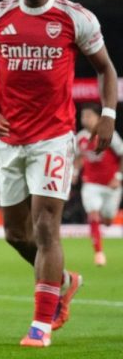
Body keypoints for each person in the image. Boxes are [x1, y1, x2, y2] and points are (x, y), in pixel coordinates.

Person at [0, 0, 118, 348]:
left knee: (46, 226)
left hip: (53, 138)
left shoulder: (75, 17)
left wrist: (108, 115)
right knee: (16, 234)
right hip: (8, 140)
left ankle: (41, 324)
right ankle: (65, 283)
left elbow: (105, 69)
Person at [73, 104, 123, 266]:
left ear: (98, 118)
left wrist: (118, 177)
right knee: (93, 215)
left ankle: (105, 219)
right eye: (83, 116)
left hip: (111, 186)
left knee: (108, 219)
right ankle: (99, 253)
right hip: (91, 184)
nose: (85, 119)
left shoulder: (109, 135)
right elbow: (79, 157)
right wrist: (74, 174)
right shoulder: (80, 137)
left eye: (88, 116)